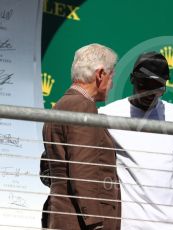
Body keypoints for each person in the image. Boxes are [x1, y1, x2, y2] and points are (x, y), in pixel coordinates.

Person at [99, 51, 173, 230]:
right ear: (132, 79)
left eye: (158, 87)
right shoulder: (107, 116)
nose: (150, 93)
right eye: (144, 84)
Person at [42, 43, 121, 229]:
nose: (112, 83)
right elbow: (83, 169)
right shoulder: (84, 107)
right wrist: (95, 222)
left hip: (62, 214)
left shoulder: (60, 105)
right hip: (80, 221)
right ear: (100, 74)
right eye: (111, 76)